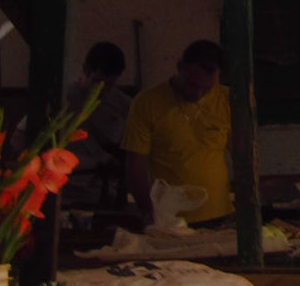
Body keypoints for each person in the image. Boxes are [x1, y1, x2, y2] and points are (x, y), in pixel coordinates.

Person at [123, 39, 232, 226]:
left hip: (220, 215)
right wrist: (147, 208)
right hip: (169, 219)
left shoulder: (227, 100)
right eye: (192, 84)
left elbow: (243, 156)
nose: (198, 93)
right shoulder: (147, 102)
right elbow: (135, 162)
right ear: (180, 67)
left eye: (207, 88)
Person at [63, 42, 132, 209]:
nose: (103, 90)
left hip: (102, 195)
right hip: (61, 190)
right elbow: (21, 138)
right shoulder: (61, 97)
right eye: (97, 82)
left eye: (109, 84)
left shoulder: (124, 106)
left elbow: (131, 154)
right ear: (86, 69)